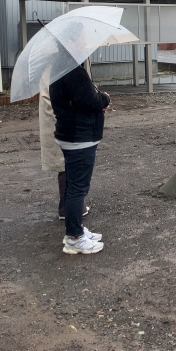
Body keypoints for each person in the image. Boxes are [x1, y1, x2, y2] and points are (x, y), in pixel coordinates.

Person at [49, 63, 110, 254]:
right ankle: (74, 237)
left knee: (72, 185)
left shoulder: (59, 68)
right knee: (78, 188)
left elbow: (76, 100)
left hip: (70, 134)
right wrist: (104, 98)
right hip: (80, 137)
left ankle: (75, 230)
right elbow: (90, 100)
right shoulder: (73, 70)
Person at [39, 87, 90, 220]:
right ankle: (68, 210)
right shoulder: (59, 71)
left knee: (65, 164)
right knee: (67, 164)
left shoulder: (49, 71)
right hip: (60, 123)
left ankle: (69, 207)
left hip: (55, 121)